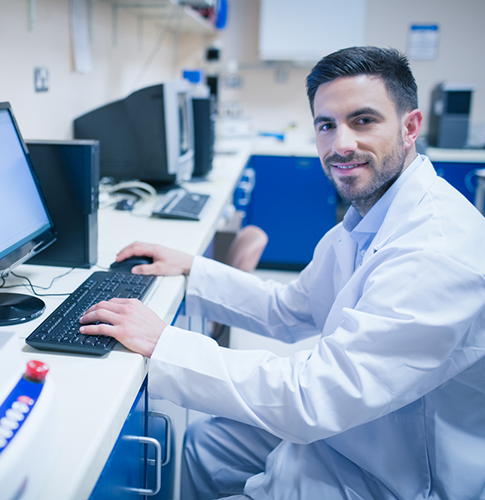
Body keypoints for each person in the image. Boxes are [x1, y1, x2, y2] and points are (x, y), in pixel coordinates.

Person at [80, 46, 485, 499]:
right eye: (326, 125)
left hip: (398, 475)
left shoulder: (435, 249)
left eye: (363, 120)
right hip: (357, 431)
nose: (342, 144)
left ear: (410, 128)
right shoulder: (366, 219)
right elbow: (288, 310)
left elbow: (314, 398)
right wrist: (195, 269)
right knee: (204, 446)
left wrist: (166, 344)